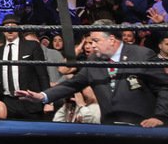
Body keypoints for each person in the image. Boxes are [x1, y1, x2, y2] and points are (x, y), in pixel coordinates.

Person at [17, 19, 168, 127]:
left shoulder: (141, 55)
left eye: (96, 41)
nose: (92, 45)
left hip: (143, 125)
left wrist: (160, 117)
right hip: (110, 126)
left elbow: (164, 87)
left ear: (112, 39)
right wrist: (42, 96)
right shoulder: (94, 60)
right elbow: (72, 84)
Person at [0, 15, 49, 120]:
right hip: (7, 103)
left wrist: (48, 101)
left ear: (18, 28)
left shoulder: (32, 46)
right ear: (3, 30)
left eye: (13, 26)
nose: (10, 29)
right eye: (7, 26)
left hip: (30, 101)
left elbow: (42, 75)